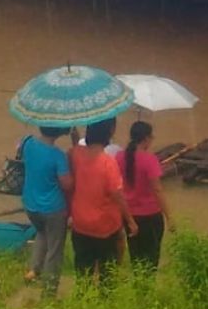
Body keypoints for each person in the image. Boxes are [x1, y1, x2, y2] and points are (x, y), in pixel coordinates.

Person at [68, 117, 137, 283]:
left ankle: (84, 303)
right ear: (111, 131)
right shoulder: (108, 163)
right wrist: (131, 221)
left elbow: (76, 151)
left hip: (80, 224)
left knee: (83, 273)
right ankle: (105, 303)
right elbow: (118, 196)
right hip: (105, 228)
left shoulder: (75, 154)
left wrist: (74, 136)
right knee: (108, 275)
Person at [115, 121, 174, 271]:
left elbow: (118, 186)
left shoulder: (119, 157)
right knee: (151, 258)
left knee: (136, 256)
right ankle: (147, 290)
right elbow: (158, 190)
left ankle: (138, 285)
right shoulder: (149, 160)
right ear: (146, 138)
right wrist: (169, 218)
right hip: (150, 216)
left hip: (129, 216)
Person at [21, 126, 74, 294]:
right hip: (53, 208)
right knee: (55, 249)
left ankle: (34, 270)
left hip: (30, 204)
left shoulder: (27, 142)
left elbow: (21, 153)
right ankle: (49, 290)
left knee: (42, 232)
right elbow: (67, 184)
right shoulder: (58, 155)